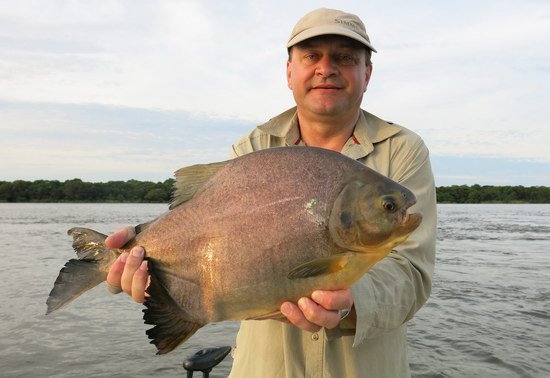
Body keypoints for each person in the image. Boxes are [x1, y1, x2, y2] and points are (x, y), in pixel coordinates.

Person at [105, 8, 437, 377]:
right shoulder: (253, 147)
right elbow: (203, 232)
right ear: (289, 72)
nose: (326, 68)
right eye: (312, 56)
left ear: (367, 73)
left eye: (344, 57)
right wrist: (150, 262)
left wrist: (352, 301)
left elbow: (412, 272)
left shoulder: (404, 149)